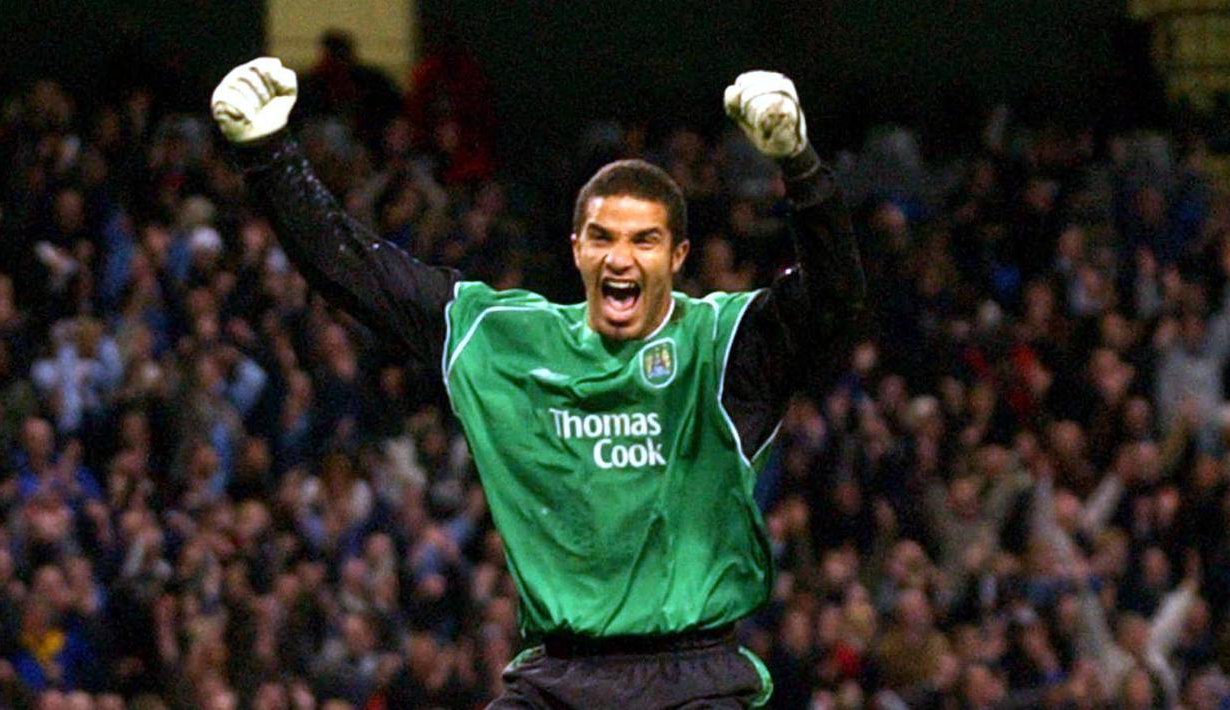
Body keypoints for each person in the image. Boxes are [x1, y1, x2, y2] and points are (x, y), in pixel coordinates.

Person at [211, 57, 865, 708]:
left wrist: (800, 167)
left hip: (692, 680)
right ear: (577, 246)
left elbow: (833, 300)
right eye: (603, 237)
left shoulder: (722, 346)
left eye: (644, 240)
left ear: (678, 256)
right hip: (558, 680)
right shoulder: (503, 341)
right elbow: (359, 275)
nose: (620, 258)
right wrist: (270, 156)